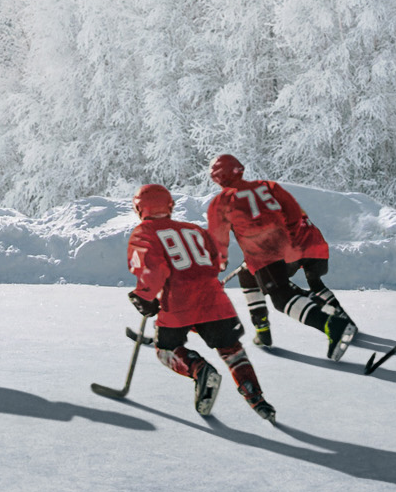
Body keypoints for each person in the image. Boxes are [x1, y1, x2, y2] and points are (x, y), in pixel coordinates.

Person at [126, 183, 277, 421]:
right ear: (169, 206)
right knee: (231, 350)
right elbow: (215, 262)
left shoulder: (143, 232)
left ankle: (199, 369)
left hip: (178, 305)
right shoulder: (194, 229)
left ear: (139, 208)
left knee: (165, 349)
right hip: (216, 301)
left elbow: (152, 268)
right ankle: (254, 394)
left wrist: (145, 296)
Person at [204, 155, 358, 360]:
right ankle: (263, 331)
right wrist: (288, 241)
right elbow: (294, 214)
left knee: (281, 298)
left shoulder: (221, 202)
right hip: (286, 249)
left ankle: (332, 325)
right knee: (248, 276)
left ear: (218, 178)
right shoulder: (268, 186)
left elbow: (217, 241)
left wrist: (220, 262)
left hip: (262, 253)